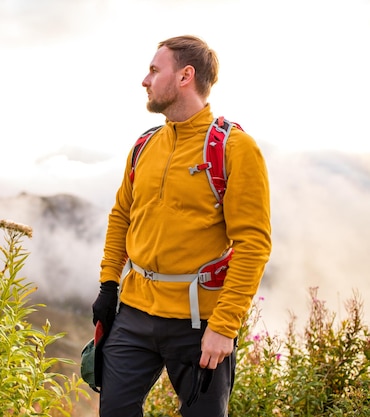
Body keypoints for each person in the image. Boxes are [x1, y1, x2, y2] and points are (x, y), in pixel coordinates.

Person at [92, 35, 271, 417]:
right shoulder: (145, 145)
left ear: (186, 76)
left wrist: (224, 326)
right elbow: (121, 215)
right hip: (134, 314)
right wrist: (109, 286)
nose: (145, 80)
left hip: (199, 322)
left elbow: (253, 244)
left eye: (155, 71)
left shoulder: (235, 149)